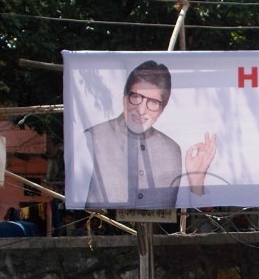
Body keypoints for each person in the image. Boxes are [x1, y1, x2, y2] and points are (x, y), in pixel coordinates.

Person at [84, 61, 216, 207]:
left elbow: (193, 222)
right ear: (124, 97)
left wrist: (196, 181)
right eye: (136, 97)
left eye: (153, 102)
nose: (141, 109)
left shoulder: (171, 149)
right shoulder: (93, 137)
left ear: (162, 109)